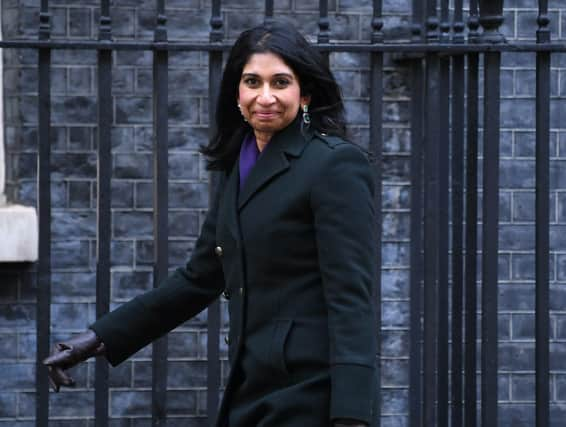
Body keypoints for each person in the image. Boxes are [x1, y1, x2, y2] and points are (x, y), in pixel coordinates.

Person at [44, 21, 377, 427]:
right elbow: (200, 277)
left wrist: (352, 416)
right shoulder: (237, 168)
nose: (265, 97)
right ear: (237, 93)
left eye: (281, 82)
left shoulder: (334, 164)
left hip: (310, 393)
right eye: (252, 81)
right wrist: (95, 340)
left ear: (304, 94)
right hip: (250, 386)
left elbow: (351, 298)